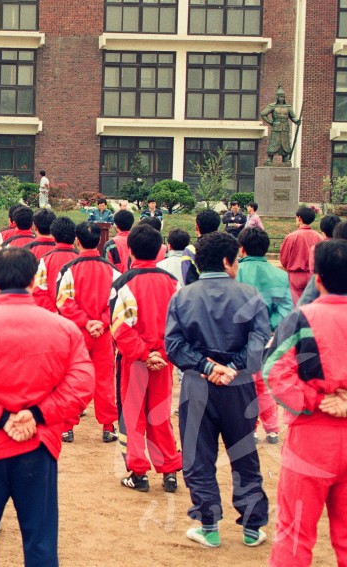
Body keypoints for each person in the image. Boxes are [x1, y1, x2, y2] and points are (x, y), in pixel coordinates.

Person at [0, 247, 93, 565]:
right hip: (37, 447)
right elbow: (81, 385)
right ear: (34, 279)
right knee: (40, 543)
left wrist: (0, 418)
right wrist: (37, 415)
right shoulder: (64, 329)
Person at [165, 231, 270, 549]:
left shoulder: (182, 297)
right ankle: (252, 528)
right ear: (228, 261)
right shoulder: (250, 294)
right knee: (244, 455)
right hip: (239, 387)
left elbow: (174, 345)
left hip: (197, 385)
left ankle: (208, 526)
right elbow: (259, 344)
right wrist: (233, 368)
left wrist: (209, 367)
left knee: (198, 457)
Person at [264, 239, 347, 566]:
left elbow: (274, 372)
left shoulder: (301, 318)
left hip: (311, 437)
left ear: (318, 278)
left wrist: (315, 399)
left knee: (295, 532)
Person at [109, 224, 181, 493]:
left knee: (133, 414)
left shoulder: (123, 283)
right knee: (160, 415)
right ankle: (169, 471)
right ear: (160, 249)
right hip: (163, 361)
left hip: (134, 362)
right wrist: (161, 354)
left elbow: (119, 326)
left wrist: (143, 354)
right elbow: (179, 324)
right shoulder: (173, 283)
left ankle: (139, 473)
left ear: (130, 250)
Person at [56, 222, 119, 443]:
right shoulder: (113, 271)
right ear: (100, 241)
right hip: (103, 334)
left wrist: (85, 322)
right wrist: (100, 322)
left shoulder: (69, 270)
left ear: (77, 241)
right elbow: (115, 302)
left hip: (78, 334)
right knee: (104, 381)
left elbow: (63, 300)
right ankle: (108, 426)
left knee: (73, 379)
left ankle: (67, 427)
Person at [235, 227, 291, 445]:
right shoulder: (280, 276)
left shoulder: (234, 272)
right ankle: (272, 429)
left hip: (237, 338)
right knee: (264, 384)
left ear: (242, 248)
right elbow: (286, 313)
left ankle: (249, 429)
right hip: (266, 338)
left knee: (242, 385)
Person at [33, 217, 79, 313]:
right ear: (75, 237)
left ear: (53, 235)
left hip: (51, 315)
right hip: (77, 317)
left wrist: (54, 312)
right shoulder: (80, 259)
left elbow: (39, 290)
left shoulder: (45, 260)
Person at [279, 206, 324, 303]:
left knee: (296, 305)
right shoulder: (319, 237)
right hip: (313, 276)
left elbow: (284, 259)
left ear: (299, 218)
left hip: (295, 276)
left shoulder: (291, 237)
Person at [184, 209, 222, 285]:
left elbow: (187, 279)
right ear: (217, 228)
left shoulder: (190, 250)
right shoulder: (227, 247)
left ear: (197, 227)